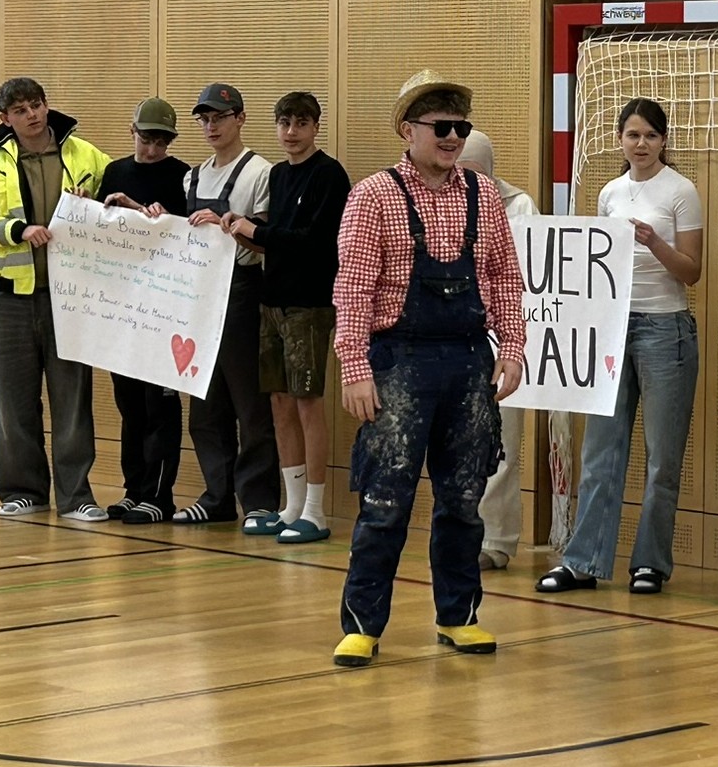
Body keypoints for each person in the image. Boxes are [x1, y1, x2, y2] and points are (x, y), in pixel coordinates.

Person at [331, 70, 525, 667]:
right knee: (385, 501)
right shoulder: (372, 195)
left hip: (470, 362)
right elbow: (353, 290)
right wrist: (355, 368)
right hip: (399, 363)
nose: (452, 137)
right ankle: (362, 625)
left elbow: (504, 279)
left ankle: (459, 617)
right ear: (406, 130)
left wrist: (513, 349)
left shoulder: (483, 195)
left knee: (465, 501)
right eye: (441, 127)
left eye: (460, 128)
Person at [536, 98, 702, 596]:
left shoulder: (682, 191)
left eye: (651, 135)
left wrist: (654, 242)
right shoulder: (610, 192)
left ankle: (650, 562)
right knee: (601, 451)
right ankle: (583, 559)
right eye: (633, 135)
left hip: (665, 328)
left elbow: (691, 271)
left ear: (664, 141)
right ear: (619, 140)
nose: (642, 144)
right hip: (612, 327)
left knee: (661, 457)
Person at [0, 77, 110, 523]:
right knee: (14, 400)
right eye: (21, 110)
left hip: (69, 298)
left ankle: (76, 495)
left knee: (72, 400)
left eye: (37, 105)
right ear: (5, 118)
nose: (33, 115)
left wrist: (97, 202)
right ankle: (24, 490)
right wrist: (16, 231)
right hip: (10, 301)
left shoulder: (84, 154)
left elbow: (116, 197)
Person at [226, 91, 352, 544]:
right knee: (278, 404)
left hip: (309, 305)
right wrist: (235, 230)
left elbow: (314, 241)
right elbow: (270, 242)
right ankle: (292, 504)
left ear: (315, 127)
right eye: (283, 123)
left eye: (300, 123)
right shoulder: (277, 175)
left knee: (306, 402)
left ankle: (316, 510)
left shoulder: (329, 175)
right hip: (270, 301)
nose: (291, 132)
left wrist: (254, 229)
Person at [176, 83, 279, 525]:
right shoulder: (191, 176)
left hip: (242, 291)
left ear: (240, 118)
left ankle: (258, 501)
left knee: (249, 402)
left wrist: (229, 228)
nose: (211, 125)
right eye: (204, 118)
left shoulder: (261, 173)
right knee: (205, 402)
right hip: (198, 294)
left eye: (220, 116)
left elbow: (267, 244)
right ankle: (217, 496)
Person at [99, 97, 189, 524]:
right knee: (130, 405)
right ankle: (134, 489)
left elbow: (191, 239)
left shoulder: (181, 176)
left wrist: (152, 216)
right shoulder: (115, 172)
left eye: (161, 141)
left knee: (160, 406)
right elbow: (100, 229)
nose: (152, 149)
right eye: (145, 138)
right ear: (130, 131)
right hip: (122, 307)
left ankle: (160, 494)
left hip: (163, 310)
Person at [458, 129, 539, 572]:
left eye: (474, 173)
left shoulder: (519, 207)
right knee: (460, 447)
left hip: (503, 339)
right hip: (455, 339)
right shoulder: (439, 201)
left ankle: (497, 537)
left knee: (501, 444)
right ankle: (462, 529)